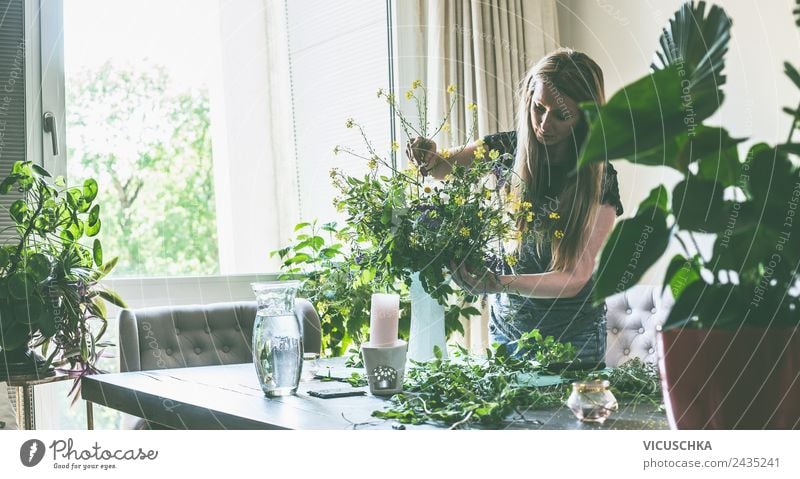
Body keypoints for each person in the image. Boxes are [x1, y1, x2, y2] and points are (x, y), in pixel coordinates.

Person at [405, 48, 623, 366]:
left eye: (562, 116)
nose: (544, 124)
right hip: (506, 333)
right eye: (539, 108)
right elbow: (439, 168)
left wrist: (499, 283)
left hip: (573, 340)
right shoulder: (504, 149)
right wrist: (425, 154)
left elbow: (575, 277)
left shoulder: (599, 176)